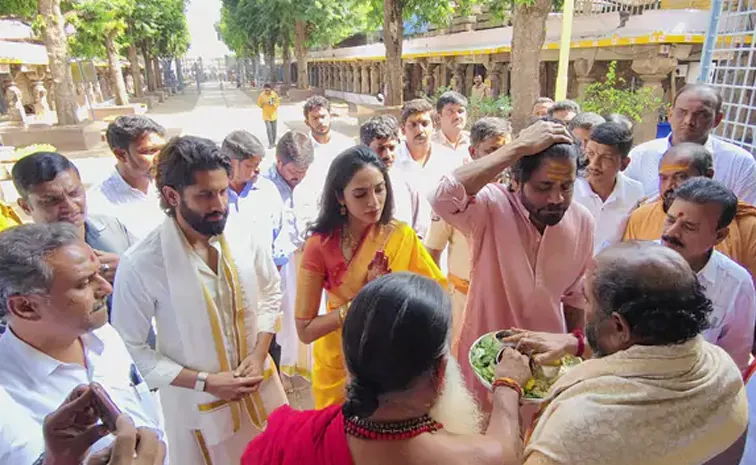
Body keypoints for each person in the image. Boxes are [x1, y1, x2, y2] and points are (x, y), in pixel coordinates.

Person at [111, 136, 288, 465]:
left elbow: (271, 291)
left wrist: (260, 350)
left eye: (222, 191)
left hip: (261, 389)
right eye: (205, 195)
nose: (219, 204)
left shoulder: (244, 232)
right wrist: (206, 382)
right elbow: (130, 349)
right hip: (198, 409)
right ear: (172, 195)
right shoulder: (142, 263)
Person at [499, 241, 748, 465]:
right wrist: (579, 344)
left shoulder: (576, 432)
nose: (583, 308)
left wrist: (507, 387)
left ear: (619, 326)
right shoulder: (723, 369)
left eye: (587, 300)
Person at [242, 272, 525, 465]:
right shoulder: (463, 457)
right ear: (440, 373)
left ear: (348, 359)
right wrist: (508, 385)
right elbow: (506, 450)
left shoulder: (286, 438)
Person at [430, 120, 593, 408]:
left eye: (566, 186)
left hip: (547, 368)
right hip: (486, 362)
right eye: (544, 186)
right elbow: (442, 196)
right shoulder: (491, 206)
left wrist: (574, 356)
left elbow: (575, 297)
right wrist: (517, 148)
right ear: (517, 181)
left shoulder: (582, 221)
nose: (557, 198)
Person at [294, 146, 445, 409]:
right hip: (340, 362)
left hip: (393, 359)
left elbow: (434, 292)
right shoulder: (319, 246)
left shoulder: (401, 235)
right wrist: (365, 300)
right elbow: (305, 331)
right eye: (360, 194)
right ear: (340, 197)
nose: (374, 202)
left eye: (379, 189)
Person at [0, 223, 163, 461]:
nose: (106, 288)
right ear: (26, 307)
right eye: (83, 283)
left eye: (100, 272)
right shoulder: (6, 398)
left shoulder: (105, 335)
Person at [425, 117, 511, 353]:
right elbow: (432, 252)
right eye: (492, 151)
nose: (499, 161)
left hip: (502, 302)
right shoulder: (451, 200)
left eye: (506, 153)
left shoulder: (516, 196)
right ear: (473, 152)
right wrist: (438, 299)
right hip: (461, 300)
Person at [623, 143, 756, 284]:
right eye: (664, 178)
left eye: (681, 177)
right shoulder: (641, 217)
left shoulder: (747, 226)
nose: (669, 186)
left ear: (708, 176)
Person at [660, 178, 755, 372]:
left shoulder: (737, 284)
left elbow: (733, 364)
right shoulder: (636, 262)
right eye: (670, 219)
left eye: (688, 227)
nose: (671, 232)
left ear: (719, 236)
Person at [12, 152, 136, 285]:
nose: (70, 206)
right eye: (52, 200)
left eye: (74, 193)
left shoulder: (113, 229)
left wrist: (128, 270)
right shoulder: (18, 260)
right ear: (25, 206)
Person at [625, 83, 756, 203]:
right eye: (682, 112)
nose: (689, 121)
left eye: (701, 114)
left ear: (717, 119)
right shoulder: (640, 156)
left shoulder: (739, 163)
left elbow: (746, 219)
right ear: (670, 114)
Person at [264, 131, 316, 382]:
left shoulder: (313, 181)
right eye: (293, 172)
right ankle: (278, 370)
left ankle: (303, 366)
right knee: (278, 319)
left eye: (303, 173)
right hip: (278, 267)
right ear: (278, 162)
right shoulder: (263, 186)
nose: (297, 178)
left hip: (308, 260)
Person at [394, 99, 466, 238]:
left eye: (424, 124)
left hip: (440, 244)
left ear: (434, 125)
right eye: (413, 125)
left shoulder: (449, 160)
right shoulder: (393, 162)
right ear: (403, 130)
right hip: (403, 242)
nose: (420, 130)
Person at [88, 115, 167, 239]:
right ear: (121, 155)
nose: (160, 158)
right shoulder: (97, 205)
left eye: (163, 149)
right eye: (150, 151)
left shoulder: (173, 186)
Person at [573, 122, 645, 253]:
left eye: (606, 158)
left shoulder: (635, 193)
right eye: (591, 153)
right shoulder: (570, 189)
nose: (594, 164)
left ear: (624, 164)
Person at [360, 115, 420, 231]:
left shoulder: (408, 181)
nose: (387, 155)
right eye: (380, 148)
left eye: (391, 148)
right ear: (365, 148)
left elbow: (419, 229)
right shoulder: (353, 186)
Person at [257, 83, 280, 149]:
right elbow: (259, 104)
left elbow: (277, 102)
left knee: (274, 130)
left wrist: (273, 104)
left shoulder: (274, 94)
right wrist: (263, 104)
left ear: (270, 89)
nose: (267, 91)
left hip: (273, 114)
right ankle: (270, 143)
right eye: (265, 90)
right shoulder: (262, 95)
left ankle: (273, 143)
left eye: (268, 90)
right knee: (269, 129)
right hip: (266, 115)